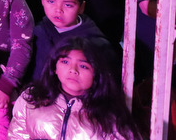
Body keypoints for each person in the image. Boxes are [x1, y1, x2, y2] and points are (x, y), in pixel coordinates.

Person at [9, 37, 141, 140]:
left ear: (97, 74)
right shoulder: (32, 98)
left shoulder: (110, 113)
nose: (73, 70)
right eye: (65, 62)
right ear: (54, 67)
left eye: (83, 66)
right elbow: (16, 136)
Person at [32, 0, 109, 81]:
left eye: (68, 5)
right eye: (51, 1)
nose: (58, 10)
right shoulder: (38, 31)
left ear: (81, 7)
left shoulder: (95, 43)